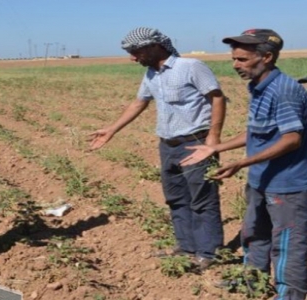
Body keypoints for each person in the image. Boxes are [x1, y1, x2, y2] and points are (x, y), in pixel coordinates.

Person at [180, 29, 307, 300]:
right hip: (260, 179)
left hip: (287, 186)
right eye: (234, 59)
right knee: (253, 236)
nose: (235, 65)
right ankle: (252, 284)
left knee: (287, 246)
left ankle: (290, 296)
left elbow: (291, 140)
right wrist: (216, 147)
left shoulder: (284, 90)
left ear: (267, 57)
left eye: (242, 59)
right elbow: (257, 132)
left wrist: (242, 162)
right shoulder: (259, 87)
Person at [89, 27, 227, 270]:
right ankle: (186, 247)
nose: (132, 57)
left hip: (195, 143)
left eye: (135, 51)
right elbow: (139, 102)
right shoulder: (151, 74)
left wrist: (213, 138)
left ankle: (208, 252)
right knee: (176, 198)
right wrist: (112, 129)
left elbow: (217, 97)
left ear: (155, 46)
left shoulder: (191, 67)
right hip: (167, 145)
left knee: (202, 199)